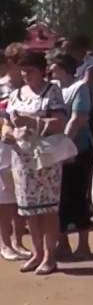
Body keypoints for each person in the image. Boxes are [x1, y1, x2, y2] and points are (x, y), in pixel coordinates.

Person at [1, 50, 67, 275]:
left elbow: (60, 123)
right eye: (23, 70)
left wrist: (32, 121)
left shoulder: (52, 91)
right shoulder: (16, 94)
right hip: (21, 159)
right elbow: (7, 122)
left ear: (41, 71)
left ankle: (50, 256)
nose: (25, 74)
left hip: (45, 160)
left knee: (48, 209)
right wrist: (8, 132)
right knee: (29, 210)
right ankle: (37, 253)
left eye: (30, 70)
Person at [50, 53, 93, 259]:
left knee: (77, 197)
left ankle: (84, 245)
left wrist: (64, 146)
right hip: (57, 152)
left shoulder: (80, 87)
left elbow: (78, 118)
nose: (50, 69)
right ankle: (63, 243)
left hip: (79, 150)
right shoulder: (54, 88)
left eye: (53, 66)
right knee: (59, 199)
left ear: (63, 67)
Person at [0, 44, 33, 261]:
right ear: (10, 63)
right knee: (5, 198)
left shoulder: (28, 88)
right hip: (3, 148)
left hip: (24, 148)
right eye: (20, 63)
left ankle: (18, 241)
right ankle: (4, 243)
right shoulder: (2, 87)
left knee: (21, 196)